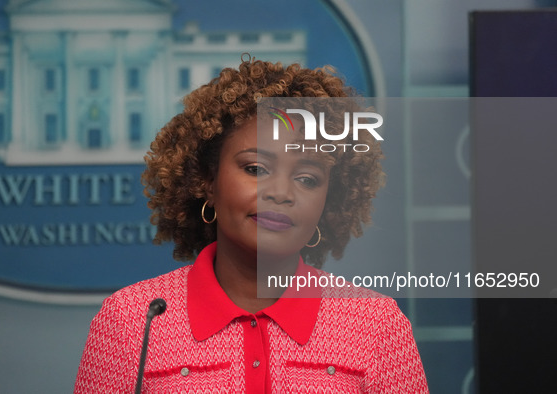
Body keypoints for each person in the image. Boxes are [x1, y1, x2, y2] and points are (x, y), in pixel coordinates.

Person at [74, 56, 428, 393]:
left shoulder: (376, 325)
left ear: (328, 201)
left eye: (307, 178)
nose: (281, 193)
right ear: (206, 181)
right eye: (255, 169)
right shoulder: (132, 321)